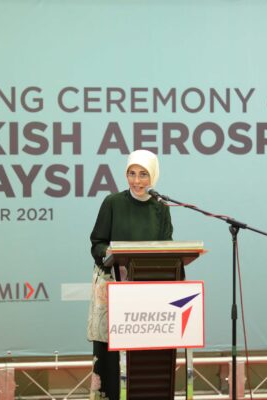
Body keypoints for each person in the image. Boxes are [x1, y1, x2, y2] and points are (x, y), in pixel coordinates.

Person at [87, 149, 173, 400]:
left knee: (146, 364)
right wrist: (111, 253)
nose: (136, 181)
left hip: (148, 296)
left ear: (153, 175)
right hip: (116, 291)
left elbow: (167, 248)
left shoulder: (161, 207)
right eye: (131, 173)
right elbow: (97, 244)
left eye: (143, 174)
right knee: (113, 365)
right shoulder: (113, 202)